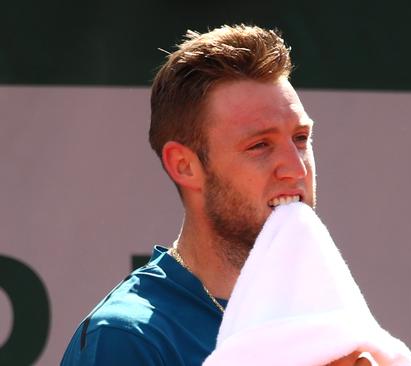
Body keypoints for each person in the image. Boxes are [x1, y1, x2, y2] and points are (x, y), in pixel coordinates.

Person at [61, 24, 319, 365]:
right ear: (184, 166)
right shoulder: (128, 338)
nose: (297, 169)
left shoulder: (322, 317)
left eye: (300, 139)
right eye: (259, 145)